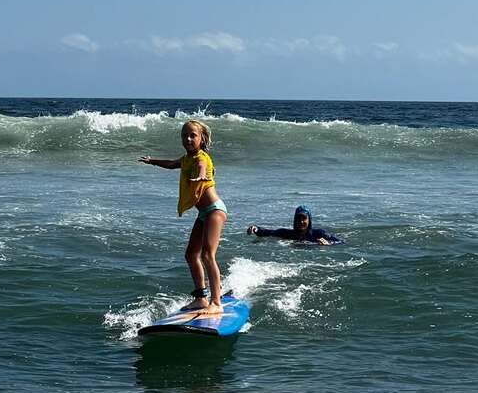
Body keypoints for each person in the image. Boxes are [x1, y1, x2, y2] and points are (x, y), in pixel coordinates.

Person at [139, 119, 228, 313]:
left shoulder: (201, 157)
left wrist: (202, 175)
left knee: (207, 255)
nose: (188, 138)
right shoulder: (186, 158)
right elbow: (172, 164)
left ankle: (216, 303)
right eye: (184, 135)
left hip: (215, 210)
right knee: (190, 255)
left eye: (192, 135)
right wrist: (151, 161)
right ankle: (200, 299)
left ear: (201, 138)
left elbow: (202, 165)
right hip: (204, 213)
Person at [247, 205, 343, 245]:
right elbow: (269, 232)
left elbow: (340, 242)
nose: (301, 222)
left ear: (309, 219)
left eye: (304, 218)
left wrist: (328, 243)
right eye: (298, 219)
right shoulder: (288, 234)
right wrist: (256, 228)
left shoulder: (319, 234)